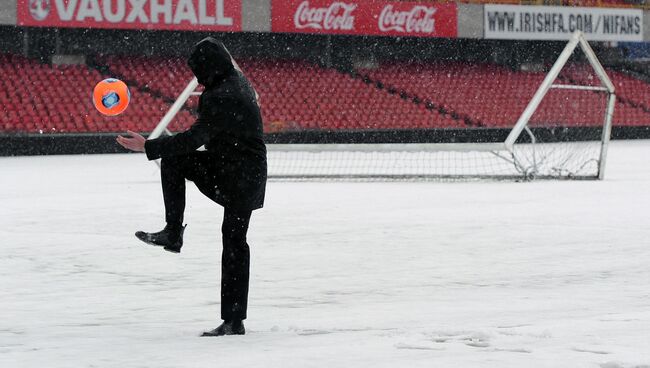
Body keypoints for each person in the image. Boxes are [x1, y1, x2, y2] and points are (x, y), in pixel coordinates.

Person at [116, 37, 267, 337]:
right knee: (233, 239)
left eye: (198, 70)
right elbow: (213, 124)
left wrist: (148, 146)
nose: (197, 77)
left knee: (234, 241)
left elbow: (193, 139)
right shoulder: (235, 80)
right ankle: (174, 232)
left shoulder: (222, 95)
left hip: (238, 177)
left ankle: (234, 321)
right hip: (238, 169)